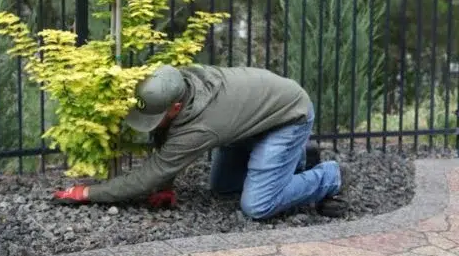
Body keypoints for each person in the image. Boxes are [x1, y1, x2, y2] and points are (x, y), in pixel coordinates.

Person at [52, 63, 347, 219]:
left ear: (176, 108)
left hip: (288, 116)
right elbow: (165, 137)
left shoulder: (202, 126)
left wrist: (88, 193)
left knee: (258, 205)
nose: (151, 125)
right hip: (251, 122)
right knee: (222, 188)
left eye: (157, 117)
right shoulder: (180, 82)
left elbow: (150, 174)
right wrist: (166, 186)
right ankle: (295, 160)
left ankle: (328, 176)